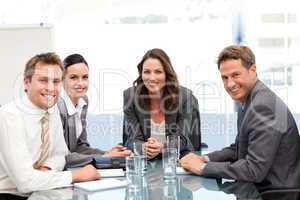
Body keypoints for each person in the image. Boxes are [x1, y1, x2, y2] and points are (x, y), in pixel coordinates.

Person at [180, 45, 300, 189]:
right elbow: (239, 148)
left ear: (253, 70)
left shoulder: (264, 106)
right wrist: (204, 158)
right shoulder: (250, 100)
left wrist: (202, 168)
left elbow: (253, 170)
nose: (230, 84)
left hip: (274, 193)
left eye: (236, 75)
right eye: (225, 78)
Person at [0, 53, 100, 195]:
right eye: (43, 80)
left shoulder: (51, 111)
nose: (51, 88)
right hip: (10, 195)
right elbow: (25, 183)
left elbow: (60, 154)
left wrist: (46, 169)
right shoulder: (10, 116)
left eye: (56, 81)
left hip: (43, 190)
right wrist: (76, 176)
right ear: (27, 82)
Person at [123, 48, 198, 159]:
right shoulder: (130, 96)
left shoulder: (185, 97)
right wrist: (144, 147)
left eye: (158, 72)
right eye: (147, 72)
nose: (152, 78)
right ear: (141, 73)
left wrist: (163, 147)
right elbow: (132, 139)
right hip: (144, 161)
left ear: (167, 74)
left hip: (177, 159)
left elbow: (182, 138)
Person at [57, 54, 131, 168]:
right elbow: (62, 157)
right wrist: (104, 157)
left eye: (85, 77)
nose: (81, 83)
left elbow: (80, 147)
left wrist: (106, 153)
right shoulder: (58, 107)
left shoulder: (83, 101)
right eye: (73, 77)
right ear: (62, 80)